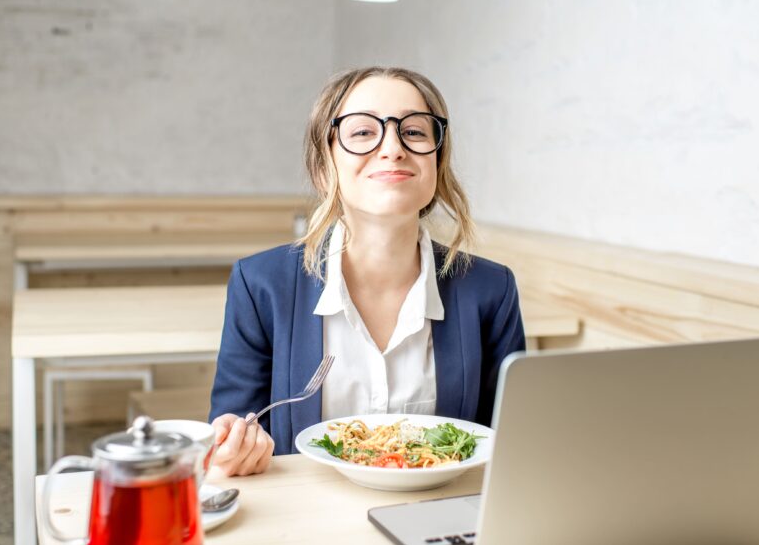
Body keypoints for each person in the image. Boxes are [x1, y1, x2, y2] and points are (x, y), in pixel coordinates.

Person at [208, 66, 525, 477]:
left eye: (413, 132)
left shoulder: (491, 290)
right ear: (324, 169)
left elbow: (506, 447)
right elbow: (235, 438)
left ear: (437, 164)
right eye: (361, 133)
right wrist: (234, 450)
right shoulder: (261, 285)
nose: (393, 148)